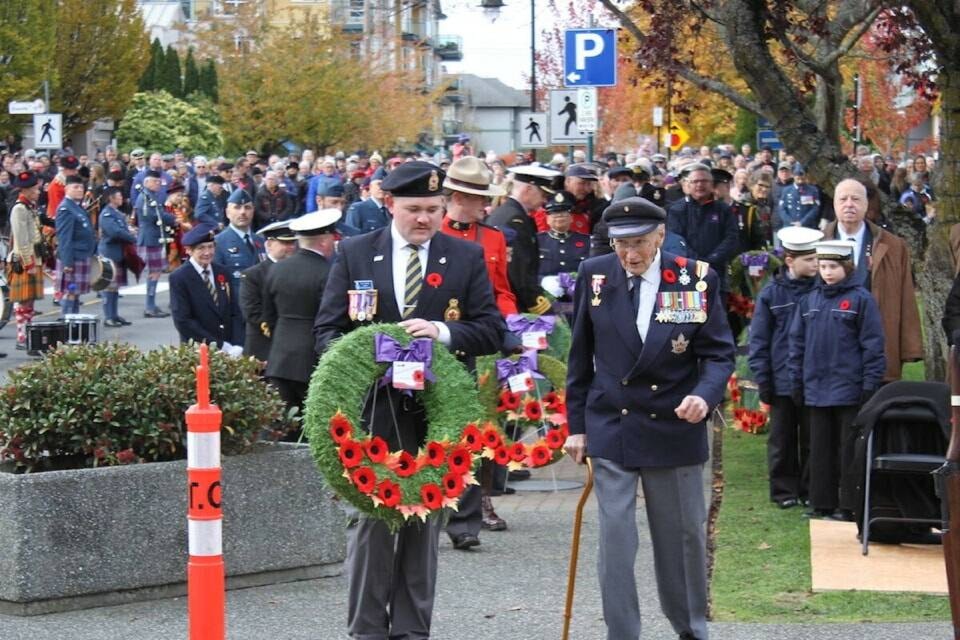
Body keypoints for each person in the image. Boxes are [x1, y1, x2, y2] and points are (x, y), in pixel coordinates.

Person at [312, 161, 503, 640]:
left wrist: (440, 331)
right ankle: (366, 630)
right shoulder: (356, 253)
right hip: (373, 413)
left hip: (439, 416)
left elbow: (492, 330)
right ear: (389, 204)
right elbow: (328, 333)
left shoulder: (463, 257)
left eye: (433, 210)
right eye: (414, 209)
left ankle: (413, 631)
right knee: (373, 523)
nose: (424, 220)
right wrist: (365, 355)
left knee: (424, 525)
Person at [564, 197, 735, 640]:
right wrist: (577, 426)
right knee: (616, 540)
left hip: (673, 424)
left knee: (681, 538)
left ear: (661, 236)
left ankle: (691, 628)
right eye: (621, 244)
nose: (630, 254)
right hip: (612, 422)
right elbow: (580, 357)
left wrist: (703, 395)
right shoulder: (595, 275)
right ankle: (622, 633)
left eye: (639, 242)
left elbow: (718, 353)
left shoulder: (695, 279)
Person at [438, 155, 513, 546]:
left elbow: (501, 289)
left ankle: (468, 518)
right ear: (455, 196)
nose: (484, 206)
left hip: (478, 340)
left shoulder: (494, 238)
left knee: (473, 430)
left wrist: (511, 326)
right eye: (476, 198)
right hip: (433, 340)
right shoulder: (431, 229)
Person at [788, 239, 885, 520]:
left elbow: (873, 345)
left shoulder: (860, 299)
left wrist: (870, 384)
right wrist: (797, 380)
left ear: (847, 267)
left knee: (848, 449)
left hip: (849, 386)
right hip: (816, 386)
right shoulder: (809, 300)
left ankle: (848, 504)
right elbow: (796, 344)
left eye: (833, 266)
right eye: (822, 267)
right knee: (819, 448)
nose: (827, 272)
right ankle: (821, 502)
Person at [748, 227, 823, 509]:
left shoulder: (821, 290)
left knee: (813, 439)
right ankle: (783, 491)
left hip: (813, 378)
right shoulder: (772, 294)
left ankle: (809, 488)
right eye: (809, 259)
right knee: (782, 439)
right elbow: (760, 340)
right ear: (790, 261)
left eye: (817, 259)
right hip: (781, 379)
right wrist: (763, 379)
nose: (815, 264)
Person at [822, 179, 922, 381]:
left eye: (856, 199)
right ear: (834, 204)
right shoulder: (817, 242)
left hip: (878, 344)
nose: (849, 204)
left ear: (866, 205)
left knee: (876, 408)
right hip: (830, 350)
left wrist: (910, 348)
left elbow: (906, 297)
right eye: (843, 199)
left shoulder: (893, 246)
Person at [262, 210, 340, 415]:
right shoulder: (330, 272)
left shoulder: (277, 269)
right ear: (324, 241)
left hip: (280, 358)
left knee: (281, 428)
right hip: (313, 359)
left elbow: (268, 316)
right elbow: (331, 316)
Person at [487, 164, 562, 315]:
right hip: (513, 304)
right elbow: (518, 272)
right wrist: (541, 308)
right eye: (543, 194)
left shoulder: (505, 213)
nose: (544, 201)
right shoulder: (515, 220)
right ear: (528, 189)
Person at [168, 223, 238, 350]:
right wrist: (219, 345)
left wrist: (237, 343)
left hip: (228, 344)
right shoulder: (180, 277)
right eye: (201, 248)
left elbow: (234, 310)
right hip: (198, 348)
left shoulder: (222, 272)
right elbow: (183, 321)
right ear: (189, 250)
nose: (207, 252)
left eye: (210, 247)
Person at [239, 220, 297, 362]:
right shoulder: (253, 275)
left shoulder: (299, 271)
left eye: (292, 243)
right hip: (263, 348)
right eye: (284, 243)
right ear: (269, 244)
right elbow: (252, 312)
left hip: (294, 348)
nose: (290, 248)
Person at [215, 188, 265, 347]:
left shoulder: (261, 241)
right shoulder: (219, 243)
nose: (243, 212)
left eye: (248, 207)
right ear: (227, 212)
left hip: (262, 315)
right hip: (236, 319)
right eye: (237, 207)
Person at [7, 170, 45, 351]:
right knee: (23, 300)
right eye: (36, 189)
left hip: (34, 259)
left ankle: (27, 333)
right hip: (23, 261)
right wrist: (28, 263)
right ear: (27, 190)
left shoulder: (30, 207)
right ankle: (21, 335)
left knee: (30, 301)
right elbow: (21, 240)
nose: (38, 192)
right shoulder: (19, 209)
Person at [136, 169, 177, 318]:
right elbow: (153, 216)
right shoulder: (145, 197)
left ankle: (152, 305)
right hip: (150, 238)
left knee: (156, 272)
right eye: (155, 181)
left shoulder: (151, 196)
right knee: (154, 273)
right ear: (146, 182)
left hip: (154, 237)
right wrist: (173, 219)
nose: (158, 184)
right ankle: (149, 306)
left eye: (159, 181)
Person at [55, 175, 96, 315]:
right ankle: (67, 326)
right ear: (66, 189)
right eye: (75, 187)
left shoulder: (76, 207)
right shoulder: (66, 209)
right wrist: (67, 263)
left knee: (76, 294)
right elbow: (64, 238)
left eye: (81, 187)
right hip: (73, 258)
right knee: (70, 292)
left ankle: (75, 326)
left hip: (82, 255)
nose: (80, 190)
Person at [97, 187, 137, 327]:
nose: (121, 198)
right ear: (111, 198)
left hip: (118, 252)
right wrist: (132, 237)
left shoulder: (116, 213)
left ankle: (114, 315)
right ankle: (108, 316)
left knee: (115, 287)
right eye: (119, 196)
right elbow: (115, 232)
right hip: (109, 253)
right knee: (108, 286)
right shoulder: (107, 214)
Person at [537, 190, 590, 278]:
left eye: (564, 213)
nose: (559, 216)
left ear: (571, 218)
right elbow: (529, 272)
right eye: (554, 213)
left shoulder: (586, 241)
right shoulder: (537, 241)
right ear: (547, 219)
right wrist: (542, 281)